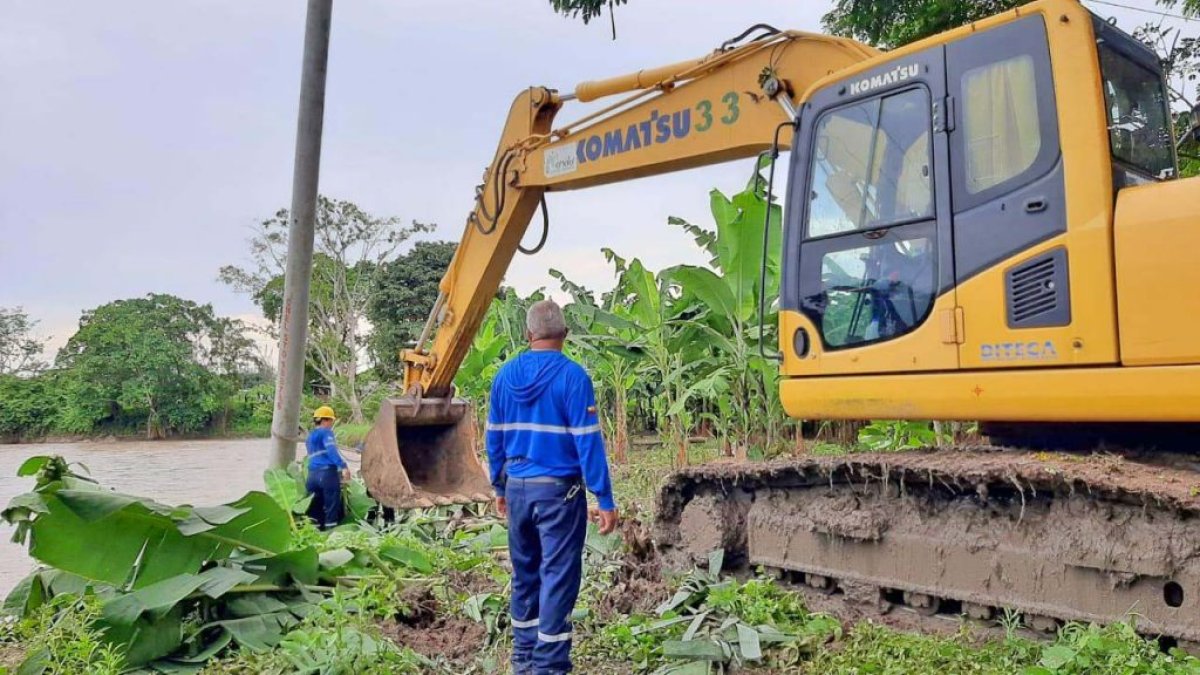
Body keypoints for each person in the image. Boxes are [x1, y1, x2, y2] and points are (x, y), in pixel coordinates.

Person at [486, 300, 619, 675]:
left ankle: (524, 661)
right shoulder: (573, 377)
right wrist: (604, 498)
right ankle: (548, 666)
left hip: (517, 489)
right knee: (558, 576)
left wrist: (499, 487)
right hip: (558, 494)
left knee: (524, 574)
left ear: (529, 335)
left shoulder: (503, 377)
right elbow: (587, 441)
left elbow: (493, 439)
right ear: (565, 334)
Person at [305, 405, 351, 530]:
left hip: (312, 476)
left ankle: (315, 534)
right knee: (331, 507)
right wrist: (343, 466)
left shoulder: (310, 436)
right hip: (326, 475)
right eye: (331, 421)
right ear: (325, 420)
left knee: (315, 508)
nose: (331, 424)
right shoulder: (326, 433)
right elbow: (331, 451)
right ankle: (331, 534)